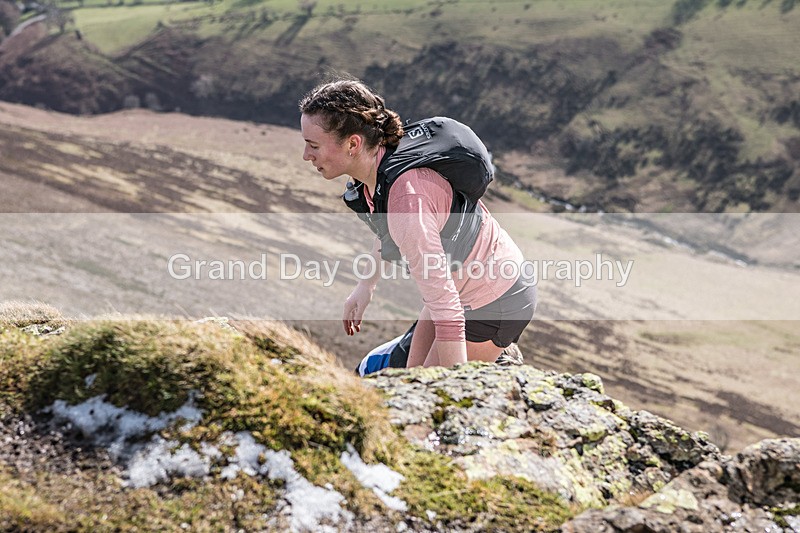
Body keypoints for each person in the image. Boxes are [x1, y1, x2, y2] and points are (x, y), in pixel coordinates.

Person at [299, 78, 536, 368]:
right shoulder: (378, 172)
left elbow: (446, 310)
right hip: (460, 286)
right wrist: (366, 285)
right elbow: (388, 229)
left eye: (313, 145)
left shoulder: (408, 202)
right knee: (404, 374)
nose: (306, 156)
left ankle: (500, 363)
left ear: (353, 143)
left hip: (496, 299)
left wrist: (458, 384)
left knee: (434, 386)